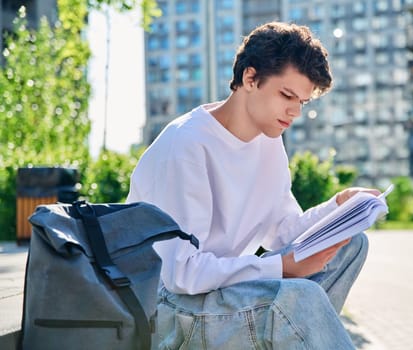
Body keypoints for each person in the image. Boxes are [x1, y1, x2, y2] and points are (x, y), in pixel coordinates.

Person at [127, 21, 380, 349]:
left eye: (302, 102)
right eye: (287, 95)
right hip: (170, 310)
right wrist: (280, 267)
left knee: (352, 243)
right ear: (250, 78)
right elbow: (181, 274)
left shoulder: (268, 141)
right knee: (299, 297)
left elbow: (283, 231)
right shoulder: (186, 144)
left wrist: (339, 207)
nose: (294, 111)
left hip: (221, 294)